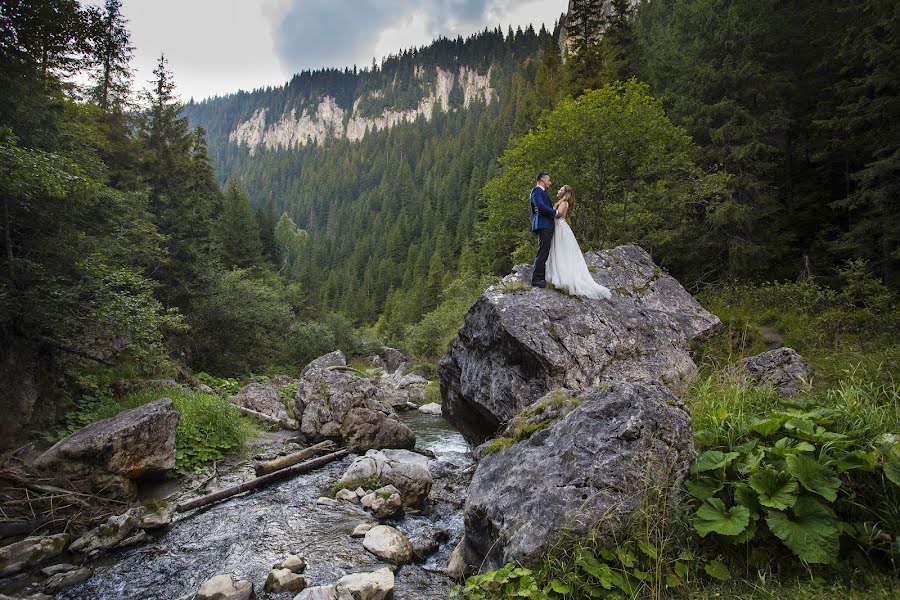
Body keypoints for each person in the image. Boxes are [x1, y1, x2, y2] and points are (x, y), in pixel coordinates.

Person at [545, 185, 612, 300]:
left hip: (559, 227)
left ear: (565, 193)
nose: (558, 191)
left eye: (560, 189)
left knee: (560, 251)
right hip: (560, 227)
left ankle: (562, 277)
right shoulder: (564, 202)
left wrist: (548, 212)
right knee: (560, 251)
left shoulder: (563, 202)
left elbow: (559, 214)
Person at [530, 172, 557, 287]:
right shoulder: (537, 191)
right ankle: (537, 278)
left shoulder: (541, 192)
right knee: (543, 251)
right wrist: (554, 212)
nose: (550, 182)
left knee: (544, 250)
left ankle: (540, 276)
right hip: (544, 224)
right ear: (542, 180)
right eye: (549, 180)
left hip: (545, 224)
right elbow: (540, 206)